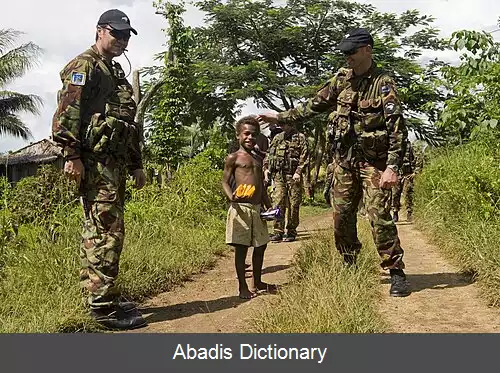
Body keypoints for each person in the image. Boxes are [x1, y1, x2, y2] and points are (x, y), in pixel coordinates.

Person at [258, 28, 411, 297]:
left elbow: (397, 130)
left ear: (367, 50)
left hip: (373, 164)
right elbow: (312, 106)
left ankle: (396, 271)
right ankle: (349, 262)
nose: (347, 57)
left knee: (378, 216)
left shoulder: (383, 84)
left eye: (352, 52)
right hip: (343, 163)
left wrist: (392, 167)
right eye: (345, 53)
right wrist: (281, 118)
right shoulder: (341, 80)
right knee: (341, 217)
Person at [52, 9, 148, 329]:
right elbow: (67, 113)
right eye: (116, 33)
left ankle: (101, 293)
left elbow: (126, 122)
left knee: (103, 231)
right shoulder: (84, 66)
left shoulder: (113, 70)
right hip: (94, 163)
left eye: (125, 36)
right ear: (99, 31)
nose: (121, 40)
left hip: (114, 163)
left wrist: (135, 164)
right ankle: (101, 307)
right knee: (106, 232)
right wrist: (71, 155)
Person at [222, 116, 277, 299]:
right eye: (246, 134)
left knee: (261, 246)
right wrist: (233, 198)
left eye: (254, 135)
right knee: (242, 248)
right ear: (238, 135)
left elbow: (260, 186)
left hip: (257, 208)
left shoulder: (257, 159)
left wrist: (269, 207)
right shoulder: (233, 158)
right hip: (241, 209)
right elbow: (224, 182)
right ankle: (242, 287)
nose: (250, 138)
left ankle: (258, 282)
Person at [263, 123, 309, 243]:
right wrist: (266, 169)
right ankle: (278, 231)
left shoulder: (300, 138)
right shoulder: (278, 137)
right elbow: (269, 154)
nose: (283, 127)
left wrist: (298, 172)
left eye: (285, 124)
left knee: (294, 203)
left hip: (294, 176)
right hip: (279, 176)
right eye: (281, 124)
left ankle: (291, 231)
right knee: (278, 202)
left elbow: (305, 157)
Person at [391, 139, 416, 223]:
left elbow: (417, 158)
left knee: (408, 193)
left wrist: (415, 172)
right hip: (396, 173)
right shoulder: (393, 145)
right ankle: (395, 212)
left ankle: (409, 213)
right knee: (395, 193)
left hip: (407, 174)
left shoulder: (410, 146)